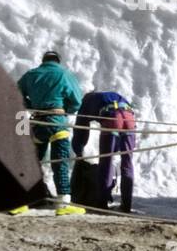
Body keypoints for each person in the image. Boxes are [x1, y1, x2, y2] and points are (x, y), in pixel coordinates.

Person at [15, 51, 85, 215]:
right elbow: (77, 101)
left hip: (38, 123)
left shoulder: (31, 74)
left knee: (33, 163)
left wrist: (31, 103)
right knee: (60, 161)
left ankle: (21, 200)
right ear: (58, 61)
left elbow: (15, 93)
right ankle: (63, 204)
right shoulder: (64, 74)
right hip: (57, 122)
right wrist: (65, 109)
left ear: (43, 61)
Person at [73, 89, 139, 213]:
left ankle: (102, 203)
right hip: (129, 118)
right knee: (127, 161)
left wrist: (78, 150)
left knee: (106, 161)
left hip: (112, 118)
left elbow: (80, 130)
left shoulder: (86, 101)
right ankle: (126, 206)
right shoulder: (113, 95)